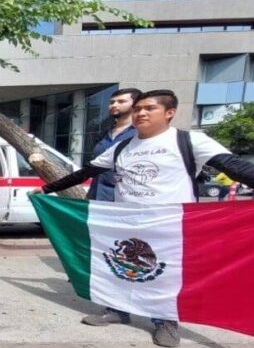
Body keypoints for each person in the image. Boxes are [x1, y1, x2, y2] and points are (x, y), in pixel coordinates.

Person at [32, 90, 254, 347]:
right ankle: (116, 310)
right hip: (125, 221)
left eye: (149, 108)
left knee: (165, 276)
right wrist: (47, 189)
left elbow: (235, 167)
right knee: (117, 267)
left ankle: (166, 323)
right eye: (137, 109)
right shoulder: (124, 146)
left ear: (170, 112)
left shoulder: (189, 140)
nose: (141, 114)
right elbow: (88, 171)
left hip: (169, 226)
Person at [87, 88, 142, 201]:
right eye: (112, 102)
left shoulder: (140, 134)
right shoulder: (102, 134)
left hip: (125, 200)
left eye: (121, 102)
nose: (114, 105)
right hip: (97, 196)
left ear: (136, 104)